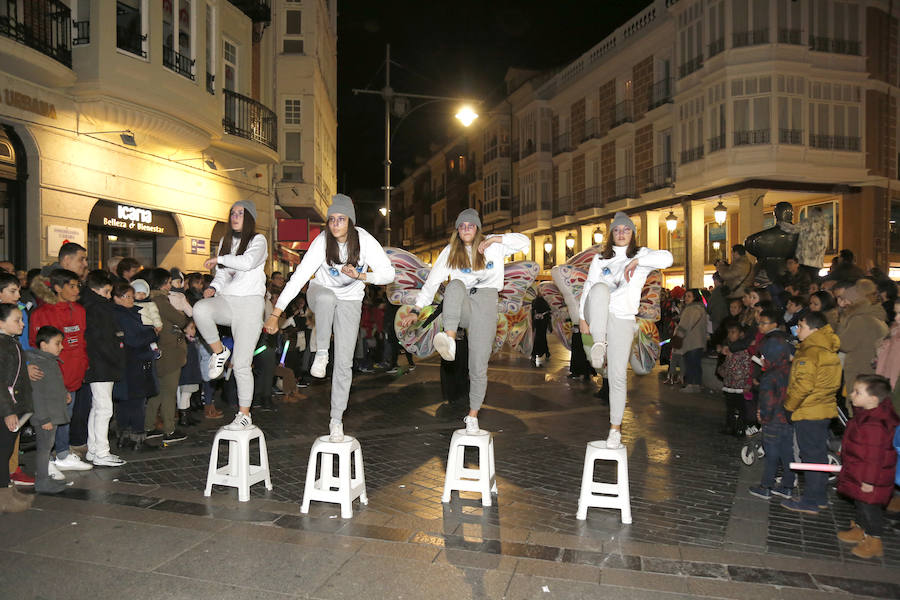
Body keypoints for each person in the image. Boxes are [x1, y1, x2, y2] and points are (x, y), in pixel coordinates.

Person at [267, 194, 394, 441]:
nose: (335, 224)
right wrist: (276, 313)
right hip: (321, 292)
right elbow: (299, 278)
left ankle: (336, 420)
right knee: (326, 299)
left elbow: (388, 273)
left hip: (351, 298)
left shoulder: (365, 241)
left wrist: (361, 277)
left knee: (345, 363)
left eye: (341, 219)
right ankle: (322, 352)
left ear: (350, 222)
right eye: (332, 219)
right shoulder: (323, 241)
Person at [402, 209, 527, 432]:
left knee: (478, 365)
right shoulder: (450, 251)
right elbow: (432, 283)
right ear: (458, 231)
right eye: (462, 226)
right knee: (455, 285)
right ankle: (449, 339)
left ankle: (473, 415)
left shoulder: (493, 246)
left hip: (487, 303)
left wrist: (496, 239)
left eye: (471, 225)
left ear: (477, 228)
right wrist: (416, 309)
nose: (466, 229)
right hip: (463, 303)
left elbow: (524, 242)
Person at [578, 212, 673, 448]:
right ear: (611, 234)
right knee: (599, 288)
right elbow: (588, 287)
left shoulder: (642, 255)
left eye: (626, 230)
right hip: (597, 312)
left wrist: (638, 262)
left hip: (623, 318)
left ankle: (615, 429)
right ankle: (600, 343)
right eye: (617, 230)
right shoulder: (600, 259)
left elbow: (668, 258)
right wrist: (582, 317)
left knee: (618, 375)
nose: (621, 234)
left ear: (632, 234)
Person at [194, 200, 268, 431]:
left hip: (251, 305)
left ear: (249, 218)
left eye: (240, 213)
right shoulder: (226, 241)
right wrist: (214, 287)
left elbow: (246, 263)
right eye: (232, 213)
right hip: (228, 300)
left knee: (242, 364)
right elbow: (223, 275)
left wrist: (220, 259)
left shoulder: (258, 240)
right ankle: (219, 351)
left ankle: (244, 413)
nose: (235, 217)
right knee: (200, 309)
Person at [29, 269, 92, 473]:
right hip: (53, 376)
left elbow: (81, 341)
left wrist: (83, 364)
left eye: (77, 286)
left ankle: (63, 454)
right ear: (57, 288)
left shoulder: (80, 310)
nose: (76, 290)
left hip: (74, 372)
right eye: (71, 286)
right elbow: (36, 345)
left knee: (66, 415)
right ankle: (46, 461)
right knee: (49, 420)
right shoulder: (43, 313)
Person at [781, 311, 841, 515]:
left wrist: (789, 406)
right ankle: (819, 497)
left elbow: (802, 385)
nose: (798, 330)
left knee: (811, 457)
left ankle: (810, 501)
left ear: (815, 330)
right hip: (821, 408)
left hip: (809, 410)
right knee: (818, 455)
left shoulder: (811, 352)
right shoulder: (824, 349)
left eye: (802, 326)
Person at [835, 374, 900, 559]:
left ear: (873, 399)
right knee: (861, 504)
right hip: (859, 472)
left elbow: (874, 457)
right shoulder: (867, 415)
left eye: (857, 392)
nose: (851, 395)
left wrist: (869, 481)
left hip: (871, 477)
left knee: (870, 508)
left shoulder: (875, 425)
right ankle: (860, 529)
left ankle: (874, 540)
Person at [748, 309, 795, 500]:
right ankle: (787, 485)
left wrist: (763, 416)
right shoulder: (790, 370)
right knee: (787, 452)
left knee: (771, 454)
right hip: (788, 418)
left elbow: (767, 399)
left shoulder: (770, 376)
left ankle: (766, 485)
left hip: (773, 419)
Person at [81, 270, 127, 466]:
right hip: (101, 363)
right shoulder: (98, 308)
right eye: (107, 292)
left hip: (98, 363)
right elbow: (103, 340)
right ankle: (101, 451)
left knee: (99, 407)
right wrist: (116, 354)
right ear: (96, 289)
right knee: (104, 408)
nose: (109, 296)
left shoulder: (91, 305)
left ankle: (94, 450)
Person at [109, 282, 159, 450]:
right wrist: (152, 333)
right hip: (133, 362)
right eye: (127, 296)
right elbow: (134, 339)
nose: (131, 299)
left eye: (132, 296)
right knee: (136, 401)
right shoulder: (122, 315)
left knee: (126, 401)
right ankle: (137, 438)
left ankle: (124, 436)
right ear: (116, 298)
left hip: (130, 362)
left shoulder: (130, 313)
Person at [144, 268, 189, 444]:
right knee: (169, 392)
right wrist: (181, 317)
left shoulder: (149, 299)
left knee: (158, 391)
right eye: (169, 282)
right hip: (169, 351)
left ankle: (148, 426)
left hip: (159, 350)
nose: (171, 285)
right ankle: (169, 430)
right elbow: (181, 320)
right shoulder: (161, 300)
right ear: (162, 283)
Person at [27, 326, 70, 494]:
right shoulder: (39, 364)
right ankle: (42, 481)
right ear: (44, 345)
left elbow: (52, 386)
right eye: (57, 343)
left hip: (51, 414)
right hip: (46, 417)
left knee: (48, 446)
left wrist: (64, 393)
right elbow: (37, 394)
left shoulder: (50, 361)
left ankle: (44, 477)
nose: (62, 347)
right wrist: (44, 419)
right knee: (44, 448)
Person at [0, 303, 35, 512]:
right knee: (2, 452)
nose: (22, 324)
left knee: (4, 452)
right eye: (17, 320)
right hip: (6, 408)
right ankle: (4, 496)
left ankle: (7, 491)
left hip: (14, 404)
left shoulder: (9, 342)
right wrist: (8, 411)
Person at [836, 279, 888, 403]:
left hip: (859, 368)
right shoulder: (875, 313)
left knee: (857, 404)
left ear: (854, 301)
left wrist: (843, 319)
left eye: (845, 299)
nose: (843, 303)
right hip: (871, 366)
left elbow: (843, 344)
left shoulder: (859, 319)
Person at [717, 322, 751, 436]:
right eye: (729, 333)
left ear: (740, 334)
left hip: (740, 384)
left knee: (741, 407)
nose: (730, 335)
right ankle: (729, 426)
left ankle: (741, 428)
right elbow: (727, 364)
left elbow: (747, 368)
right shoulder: (729, 349)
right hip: (729, 383)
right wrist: (721, 370)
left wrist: (747, 382)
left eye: (733, 332)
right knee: (730, 407)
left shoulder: (743, 351)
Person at [675, 289, 708, 394]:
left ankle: (690, 385)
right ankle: (697, 385)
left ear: (695, 298)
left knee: (689, 363)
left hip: (691, 341)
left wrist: (678, 336)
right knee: (696, 364)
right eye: (686, 296)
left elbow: (684, 325)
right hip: (700, 341)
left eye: (689, 296)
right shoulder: (702, 309)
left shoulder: (690, 309)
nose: (686, 298)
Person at [531, 294, 551, 367]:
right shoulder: (545, 301)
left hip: (540, 322)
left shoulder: (535, 301)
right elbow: (549, 310)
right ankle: (545, 352)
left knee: (539, 337)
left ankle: (535, 354)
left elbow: (532, 310)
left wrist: (538, 315)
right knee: (541, 337)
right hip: (541, 322)